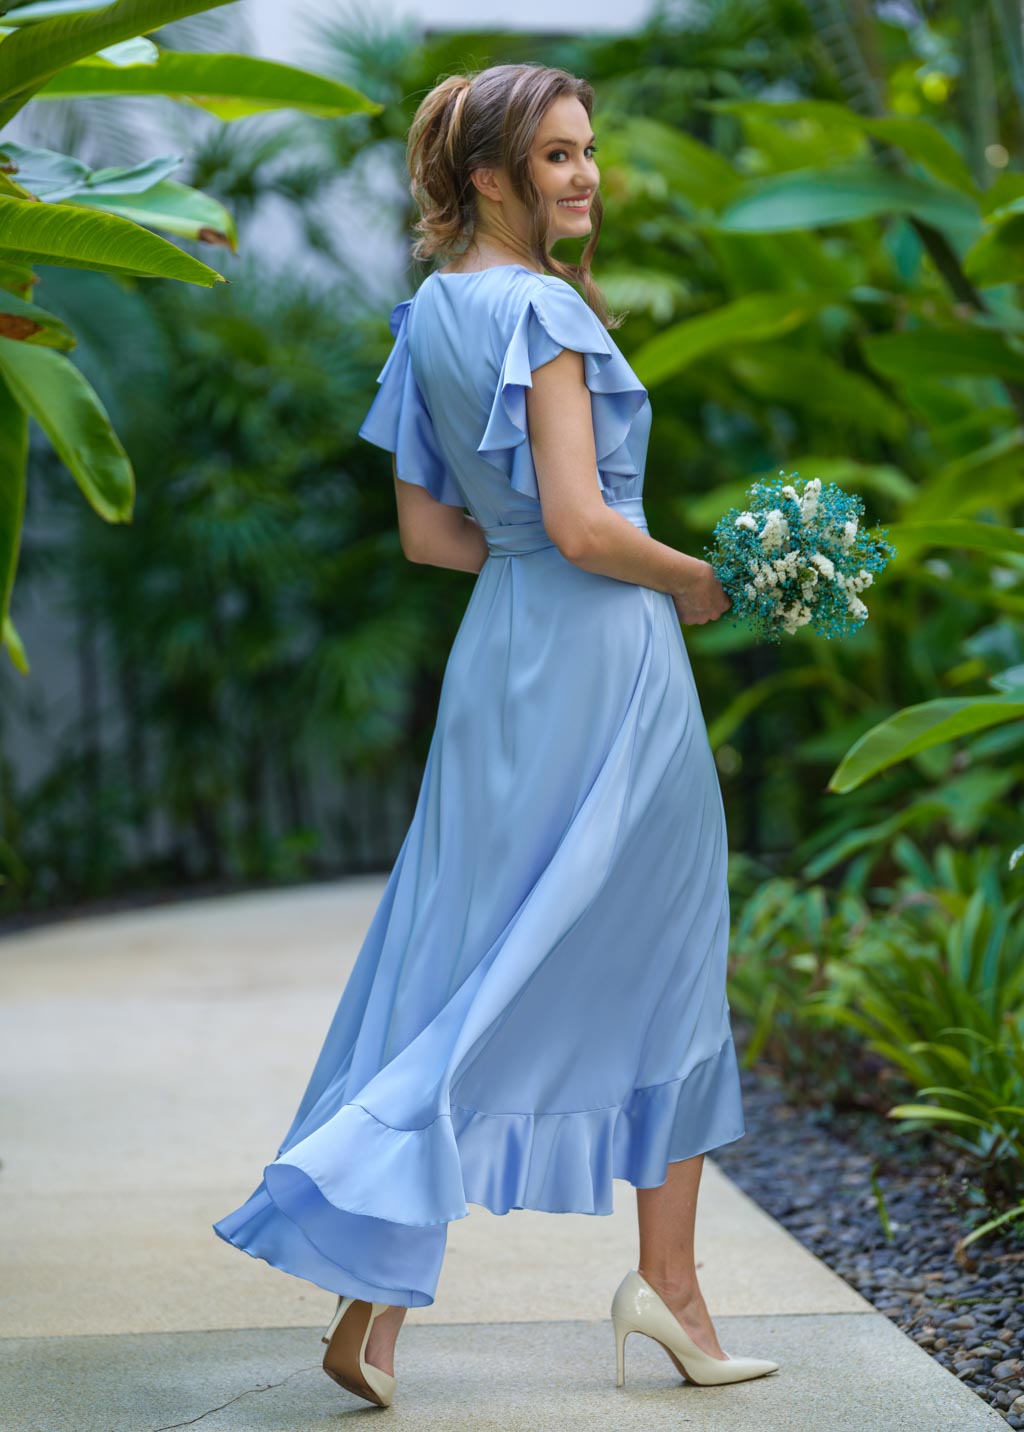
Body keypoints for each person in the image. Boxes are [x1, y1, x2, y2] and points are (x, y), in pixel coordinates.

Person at [212, 60, 779, 1407]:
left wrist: (538, 561)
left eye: (588, 150)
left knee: (465, 966)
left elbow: (432, 536)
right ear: (488, 176)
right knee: (670, 960)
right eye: (558, 154)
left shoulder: (430, 318)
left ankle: (372, 1313)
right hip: (608, 666)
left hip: (503, 659)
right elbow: (585, 525)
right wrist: (694, 580)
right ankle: (672, 1288)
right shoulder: (543, 311)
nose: (587, 174)